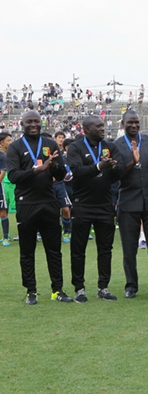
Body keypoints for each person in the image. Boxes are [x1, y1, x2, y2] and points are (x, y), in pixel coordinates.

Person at [6, 110, 70, 304]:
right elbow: (14, 176)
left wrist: (57, 166)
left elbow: (60, 176)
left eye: (37, 121)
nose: (33, 125)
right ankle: (31, 291)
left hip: (49, 202)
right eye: (29, 122)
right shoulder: (15, 147)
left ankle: (57, 290)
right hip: (26, 203)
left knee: (54, 250)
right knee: (27, 250)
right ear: (22, 124)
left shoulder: (50, 144)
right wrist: (40, 169)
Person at [67, 116, 122, 303]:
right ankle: (79, 288)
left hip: (105, 205)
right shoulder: (76, 147)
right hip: (82, 204)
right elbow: (77, 172)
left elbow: (117, 173)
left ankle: (103, 287)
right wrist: (99, 166)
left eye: (102, 125)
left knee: (105, 248)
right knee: (78, 248)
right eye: (98, 126)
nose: (102, 128)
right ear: (86, 129)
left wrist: (115, 167)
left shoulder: (109, 146)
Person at [114, 110, 148, 299]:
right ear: (123, 123)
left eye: (136, 122)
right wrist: (132, 161)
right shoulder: (116, 145)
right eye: (130, 122)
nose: (134, 125)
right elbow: (116, 175)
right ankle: (131, 286)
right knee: (129, 248)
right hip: (128, 202)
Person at [0, 132, 11, 246]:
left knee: (3, 212)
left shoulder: (3, 157)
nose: (10, 142)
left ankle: (6, 237)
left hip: (0, 187)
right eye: (8, 140)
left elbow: (2, 174)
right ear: (1, 142)